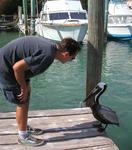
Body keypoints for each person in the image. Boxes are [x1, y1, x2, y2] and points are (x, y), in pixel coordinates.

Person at [0, 36, 80, 146]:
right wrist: (23, 87)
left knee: (26, 94)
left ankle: (23, 125)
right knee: (21, 100)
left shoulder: (51, 48)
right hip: (5, 67)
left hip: (12, 63)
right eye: (73, 58)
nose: (71, 61)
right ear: (66, 54)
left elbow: (23, 64)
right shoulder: (47, 55)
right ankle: (23, 136)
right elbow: (17, 68)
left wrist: (25, 85)